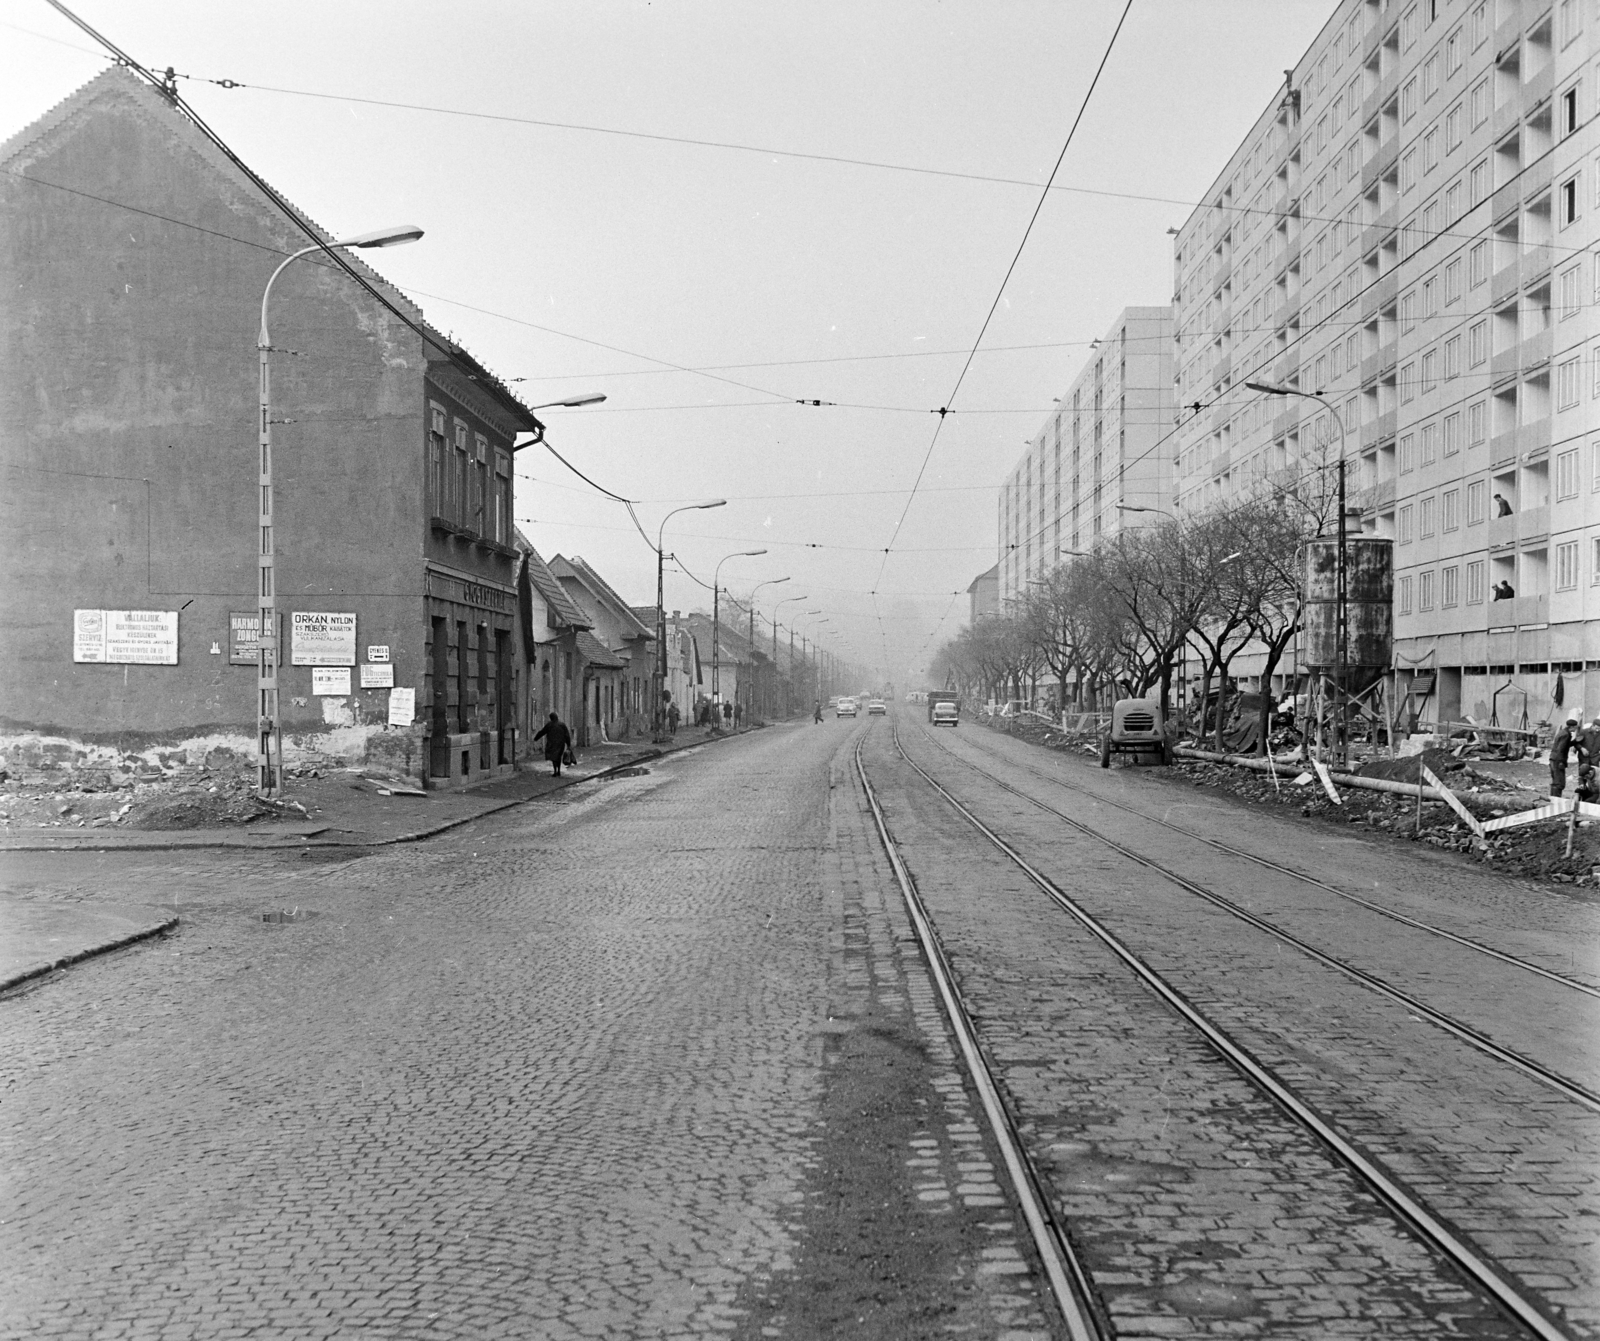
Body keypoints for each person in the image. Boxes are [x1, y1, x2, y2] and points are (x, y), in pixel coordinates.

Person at [533, 711, 573, 778]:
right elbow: (567, 735)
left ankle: (555, 771)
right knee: (558, 757)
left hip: (552, 743)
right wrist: (568, 744)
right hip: (560, 743)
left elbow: (542, 732)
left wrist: (536, 738)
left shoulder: (549, 725)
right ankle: (559, 771)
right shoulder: (562, 725)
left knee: (553, 757)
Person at [1550, 717, 1580, 798]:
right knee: (1559, 783)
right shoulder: (1566, 735)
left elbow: (1565, 745)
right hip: (1558, 760)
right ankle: (1556, 799)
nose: (1576, 728)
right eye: (1575, 727)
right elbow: (1561, 749)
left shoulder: (1563, 732)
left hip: (1554, 758)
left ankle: (1553, 798)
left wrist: (1574, 742)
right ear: (1572, 727)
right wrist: (1561, 762)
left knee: (1555, 781)